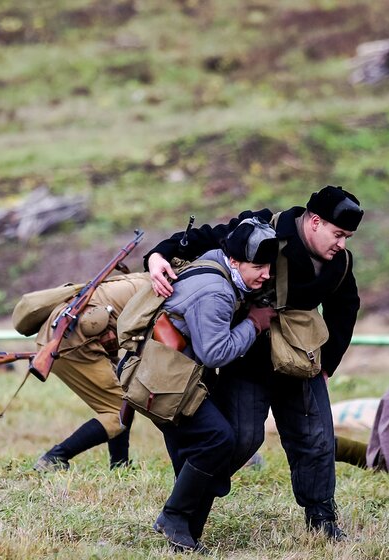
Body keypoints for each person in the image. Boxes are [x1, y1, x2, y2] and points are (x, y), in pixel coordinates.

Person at [146, 186, 363, 541]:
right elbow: (211, 239)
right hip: (248, 356)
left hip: (301, 357)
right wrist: (158, 254)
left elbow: (345, 308)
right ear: (314, 221)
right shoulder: (265, 229)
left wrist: (328, 363)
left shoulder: (340, 263)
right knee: (240, 439)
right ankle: (183, 513)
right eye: (337, 234)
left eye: (347, 237)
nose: (341, 243)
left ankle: (322, 519)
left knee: (317, 439)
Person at [143, 217, 278, 553]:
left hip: (163, 370)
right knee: (218, 438)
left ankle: (185, 538)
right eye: (258, 266)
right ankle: (172, 516)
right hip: (163, 378)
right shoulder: (217, 291)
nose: (266, 275)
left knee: (196, 451)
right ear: (234, 261)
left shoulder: (217, 261)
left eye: (270, 266)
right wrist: (254, 324)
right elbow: (216, 353)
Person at [33, 273, 149, 472]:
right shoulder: (162, 289)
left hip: (58, 333)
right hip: (70, 341)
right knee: (117, 411)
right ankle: (55, 458)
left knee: (120, 399)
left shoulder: (144, 279)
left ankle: (120, 466)